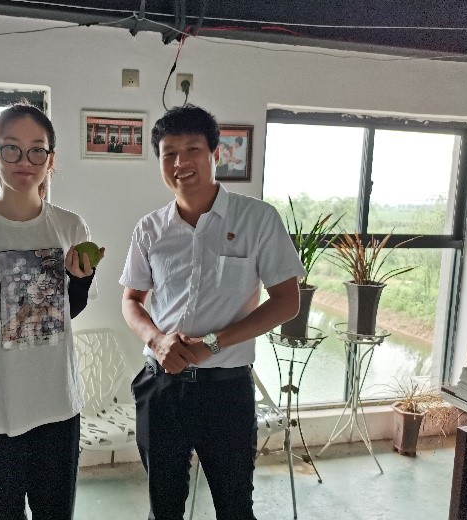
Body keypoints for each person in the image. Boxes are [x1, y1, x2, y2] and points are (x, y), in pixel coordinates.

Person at [119, 104, 305, 520]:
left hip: (225, 391)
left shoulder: (257, 219)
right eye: (169, 153)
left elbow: (286, 301)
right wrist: (156, 340)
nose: (180, 163)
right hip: (161, 386)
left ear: (215, 154)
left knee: (234, 507)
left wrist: (213, 344)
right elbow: (131, 300)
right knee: (163, 509)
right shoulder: (150, 229)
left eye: (193, 150)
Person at [0, 101, 103, 519]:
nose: (24, 161)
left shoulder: (70, 226)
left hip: (58, 406)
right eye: (11, 148)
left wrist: (80, 282)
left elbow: (66, 314)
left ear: (51, 159)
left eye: (37, 150)